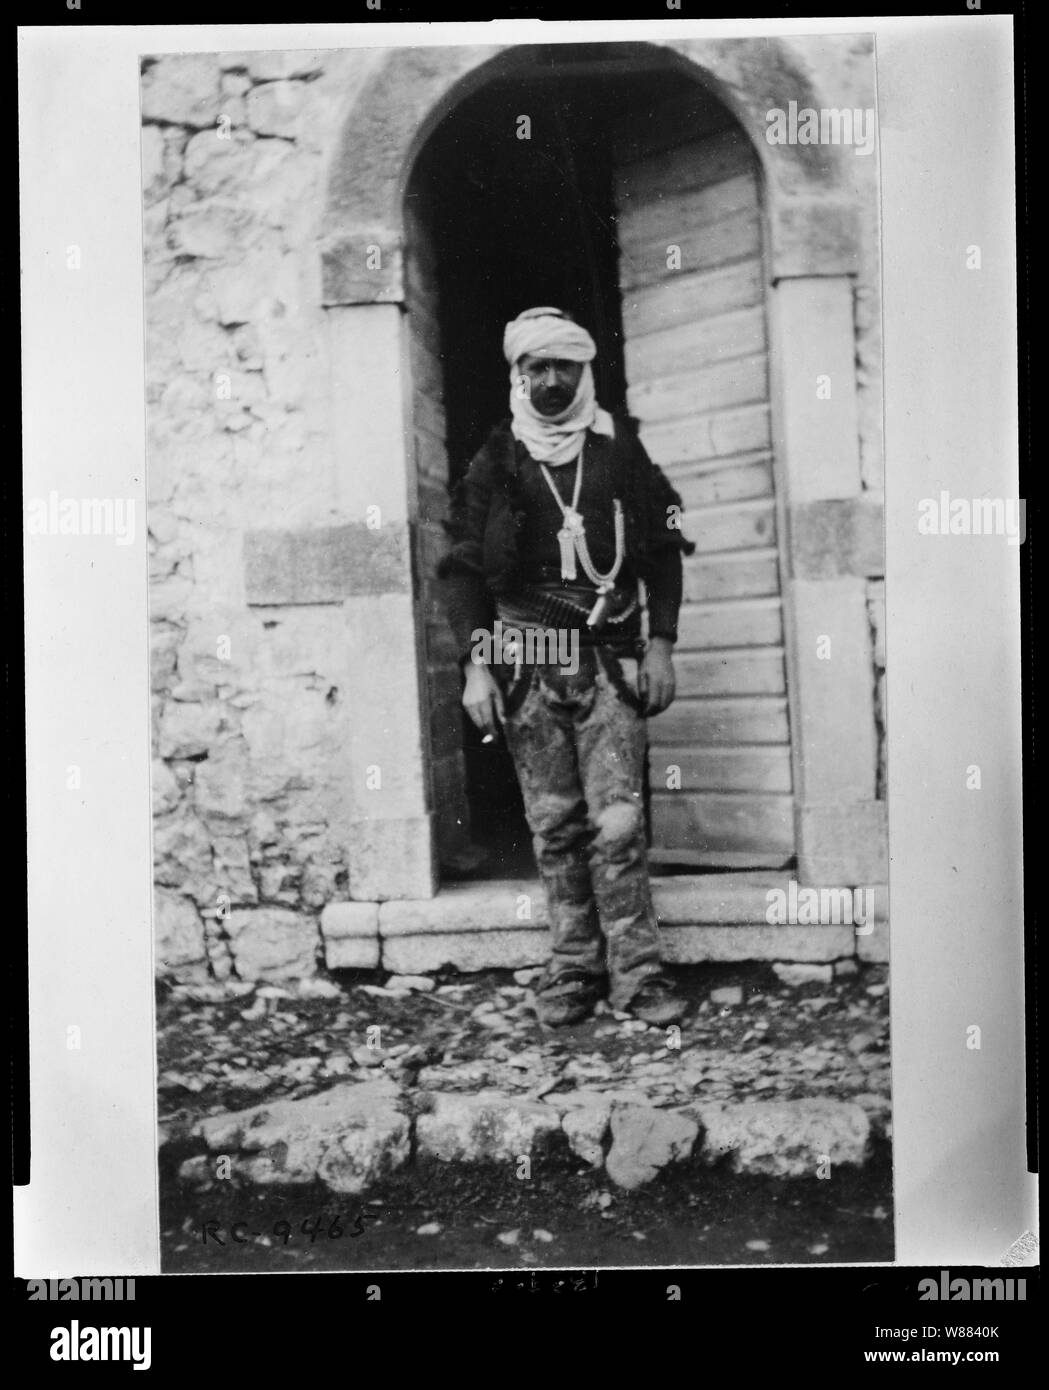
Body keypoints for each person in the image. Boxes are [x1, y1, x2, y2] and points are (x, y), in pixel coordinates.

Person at [439, 306, 695, 1027]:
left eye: (564, 366)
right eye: (536, 367)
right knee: (552, 826)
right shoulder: (496, 460)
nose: (551, 380)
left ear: (584, 370)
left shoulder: (622, 452)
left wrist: (660, 644)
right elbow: (460, 569)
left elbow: (668, 545)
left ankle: (639, 975)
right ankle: (572, 969)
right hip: (527, 659)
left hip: (609, 655)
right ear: (517, 373)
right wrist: (477, 668)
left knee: (616, 823)